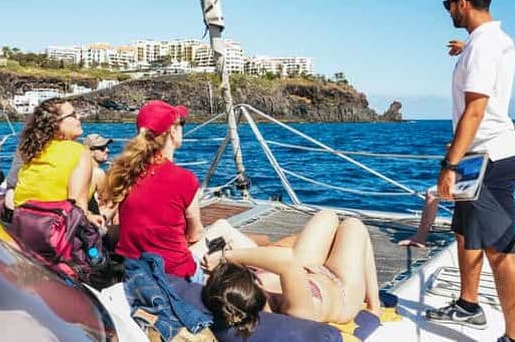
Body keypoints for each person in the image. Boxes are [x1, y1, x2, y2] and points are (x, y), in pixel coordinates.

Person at [425, 0, 515, 342]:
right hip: (478, 157)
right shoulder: (488, 41)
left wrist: (449, 165)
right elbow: (483, 58)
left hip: (490, 158)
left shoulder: (483, 47)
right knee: (466, 233)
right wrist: (465, 48)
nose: (448, 9)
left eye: (448, 3)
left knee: (500, 251)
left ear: (462, 3)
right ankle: (469, 305)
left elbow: (475, 110)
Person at [200, 210, 381, 338]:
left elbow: (290, 263)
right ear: (257, 286)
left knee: (327, 216)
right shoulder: (294, 310)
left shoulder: (237, 296)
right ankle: (376, 304)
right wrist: (226, 256)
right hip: (339, 287)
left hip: (306, 270)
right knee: (353, 226)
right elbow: (287, 260)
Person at [103, 100, 205, 281]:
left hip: (131, 268)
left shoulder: (125, 173)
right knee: (221, 235)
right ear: (172, 131)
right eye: (182, 123)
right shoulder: (185, 179)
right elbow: (194, 234)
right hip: (173, 274)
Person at [398, 40, 464, 248]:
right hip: (468, 170)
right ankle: (422, 237)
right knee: (433, 192)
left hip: (474, 173)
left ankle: (423, 236)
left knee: (440, 194)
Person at [12, 98, 101, 226]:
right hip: (56, 228)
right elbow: (78, 209)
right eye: (73, 115)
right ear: (56, 124)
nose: (79, 117)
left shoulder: (33, 150)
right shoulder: (79, 152)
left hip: (23, 224)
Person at [83, 133, 113, 216]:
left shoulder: (81, 170)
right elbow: (107, 199)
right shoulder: (97, 173)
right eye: (102, 148)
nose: (107, 150)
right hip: (92, 218)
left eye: (106, 147)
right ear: (91, 152)